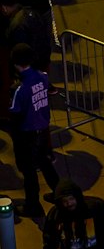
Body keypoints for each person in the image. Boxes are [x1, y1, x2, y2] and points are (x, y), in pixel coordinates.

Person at [8, 46, 60, 219]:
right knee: (45, 163)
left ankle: (33, 206)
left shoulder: (19, 89)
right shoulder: (42, 77)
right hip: (42, 129)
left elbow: (15, 114)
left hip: (26, 135)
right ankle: (59, 194)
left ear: (16, 64)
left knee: (29, 172)